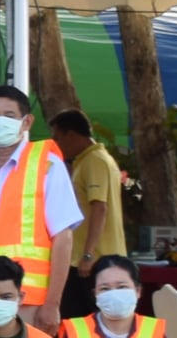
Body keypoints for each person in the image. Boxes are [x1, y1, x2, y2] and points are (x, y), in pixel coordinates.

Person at [0, 85, 81, 334]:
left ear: (26, 122)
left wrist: (53, 304)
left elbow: (63, 237)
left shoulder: (47, 164)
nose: (0, 121)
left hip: (28, 299)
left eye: (9, 115)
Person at [49, 110, 126, 320]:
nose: (56, 144)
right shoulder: (89, 160)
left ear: (72, 135)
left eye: (58, 138)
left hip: (94, 259)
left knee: (82, 319)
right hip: (88, 257)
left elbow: (99, 207)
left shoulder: (95, 160)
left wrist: (88, 254)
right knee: (77, 320)